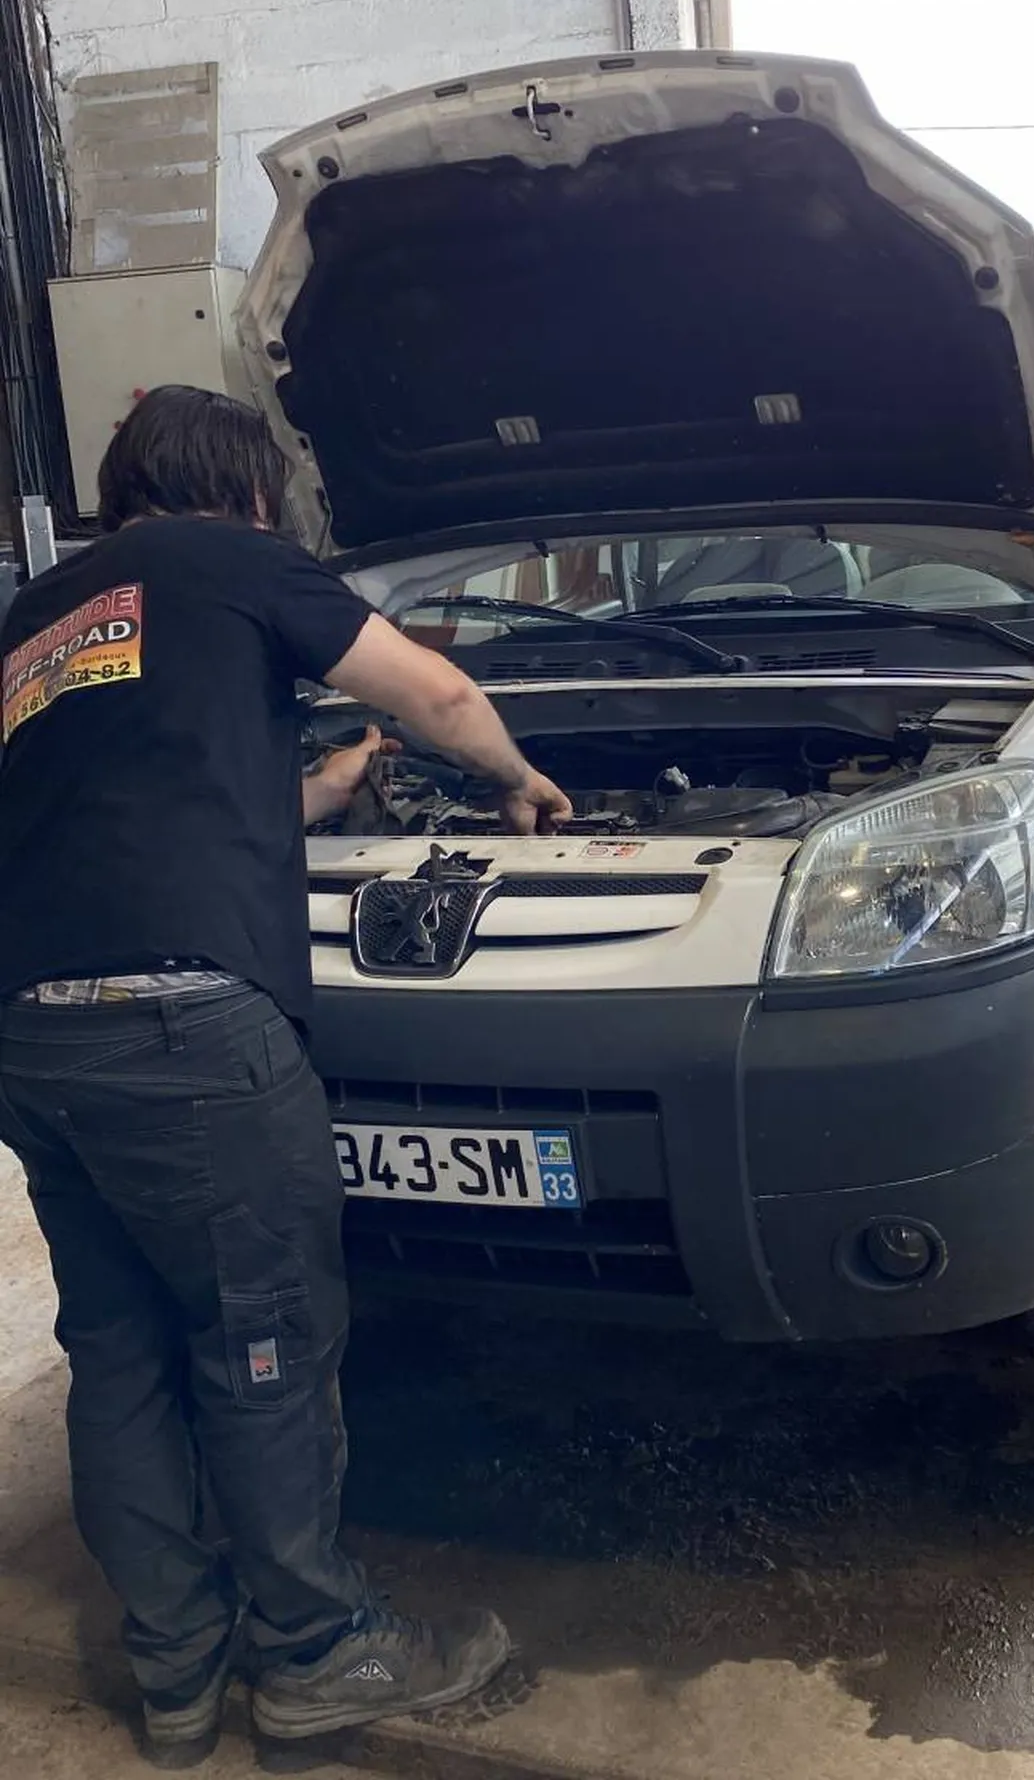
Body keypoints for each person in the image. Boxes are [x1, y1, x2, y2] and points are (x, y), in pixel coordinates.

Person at [0, 387, 572, 1765]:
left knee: (120, 1351)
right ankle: (316, 1651)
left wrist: (324, 785)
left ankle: (178, 1675)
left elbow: (134, 795)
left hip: (34, 1033)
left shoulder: (42, 614)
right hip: (183, 1032)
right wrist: (519, 778)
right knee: (262, 1344)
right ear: (248, 492)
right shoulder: (234, 558)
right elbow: (438, 689)